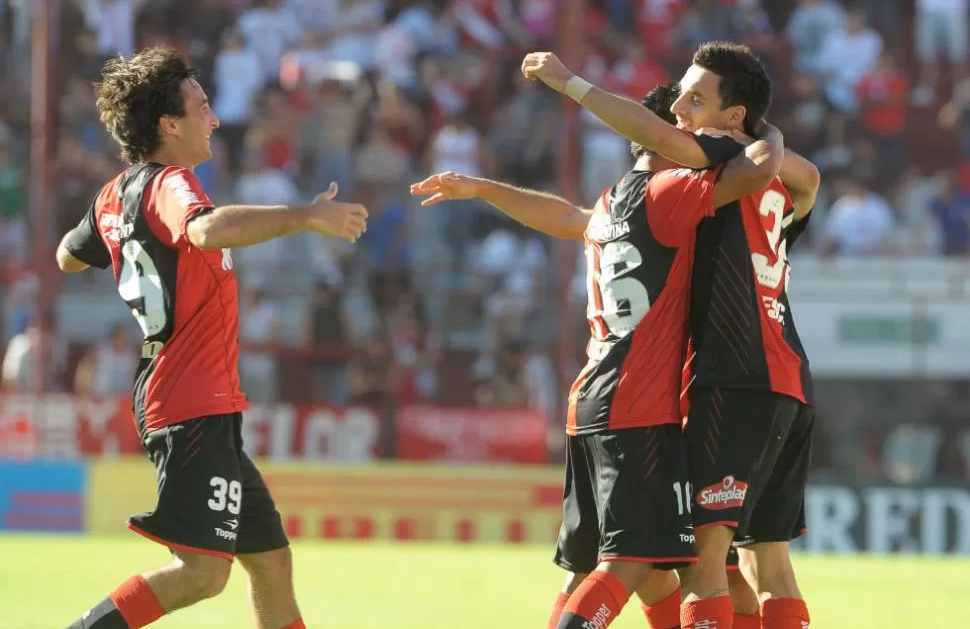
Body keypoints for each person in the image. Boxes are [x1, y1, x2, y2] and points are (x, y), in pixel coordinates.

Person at [412, 79, 786, 629]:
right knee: (631, 564)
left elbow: (564, 216)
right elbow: (757, 172)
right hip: (640, 407)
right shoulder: (668, 193)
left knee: (636, 568)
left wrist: (483, 188)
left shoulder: (613, 204)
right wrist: (767, 132)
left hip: (589, 402)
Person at [54, 47, 368, 629]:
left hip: (194, 400)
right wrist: (304, 215)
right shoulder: (173, 184)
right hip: (189, 400)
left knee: (270, 562)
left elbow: (68, 257)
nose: (215, 119)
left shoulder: (113, 195)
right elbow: (202, 229)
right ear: (168, 124)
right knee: (202, 574)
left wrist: (124, 240)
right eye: (202, 108)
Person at [522, 41, 819, 629]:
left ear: (732, 117)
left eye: (695, 98)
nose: (680, 107)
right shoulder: (774, 178)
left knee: (696, 562)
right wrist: (768, 137)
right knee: (761, 564)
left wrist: (571, 83)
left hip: (733, 379)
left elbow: (661, 142)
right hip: (789, 379)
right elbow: (808, 179)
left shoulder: (705, 163)